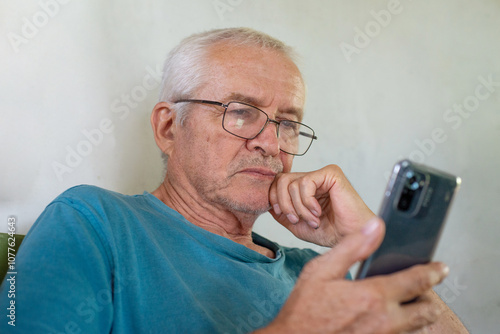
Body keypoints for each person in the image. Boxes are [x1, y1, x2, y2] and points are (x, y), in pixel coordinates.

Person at [0, 27, 468, 333]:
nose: (271, 141)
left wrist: (369, 242)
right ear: (168, 127)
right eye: (241, 113)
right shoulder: (93, 222)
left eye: (287, 122)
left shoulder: (319, 271)